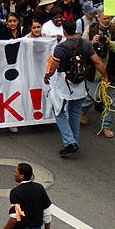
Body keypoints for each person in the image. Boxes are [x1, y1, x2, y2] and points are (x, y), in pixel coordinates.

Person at [44, 20, 108, 155]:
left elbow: (53, 67)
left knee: (58, 111)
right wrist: (105, 76)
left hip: (64, 86)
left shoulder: (61, 48)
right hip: (80, 85)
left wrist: (47, 76)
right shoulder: (86, 44)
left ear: (64, 32)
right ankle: (74, 141)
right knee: (74, 112)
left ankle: (69, 142)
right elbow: (97, 61)